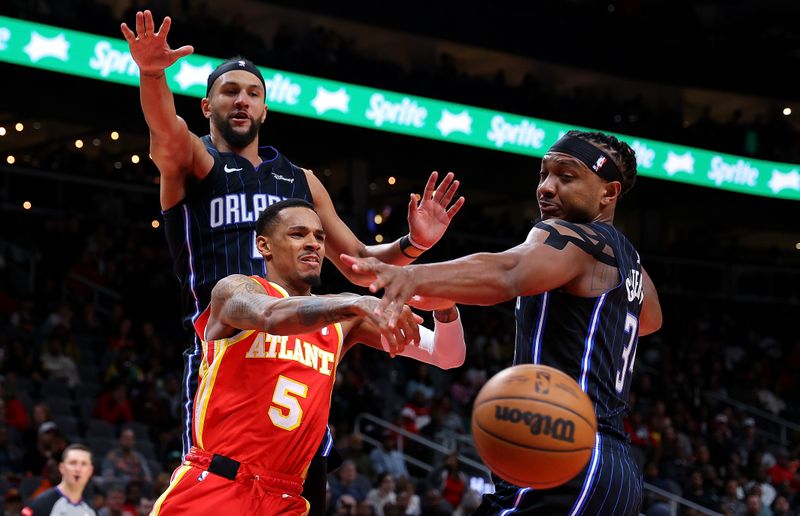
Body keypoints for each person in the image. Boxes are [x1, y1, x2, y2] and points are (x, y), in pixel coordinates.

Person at [120, 11, 464, 514]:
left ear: (265, 109)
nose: (242, 99)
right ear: (206, 104)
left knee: (301, 471)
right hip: (231, 334)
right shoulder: (194, 160)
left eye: (253, 93)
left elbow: (361, 264)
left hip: (307, 330)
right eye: (229, 90)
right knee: (222, 468)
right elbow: (163, 127)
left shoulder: (302, 180)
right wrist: (152, 74)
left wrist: (412, 244)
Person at [344, 129, 663, 515]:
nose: (546, 188)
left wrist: (414, 275)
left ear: (608, 193)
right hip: (611, 469)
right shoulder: (631, 266)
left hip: (564, 448)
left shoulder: (570, 237)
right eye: (544, 174)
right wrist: (443, 295)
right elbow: (650, 321)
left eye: (566, 176)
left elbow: (509, 271)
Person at [151, 199, 466, 514]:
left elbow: (446, 355)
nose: (313, 244)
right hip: (218, 482)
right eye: (298, 234)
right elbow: (271, 315)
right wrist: (354, 304)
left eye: (319, 237)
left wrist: (446, 308)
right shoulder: (235, 291)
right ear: (264, 245)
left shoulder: (345, 316)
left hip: (287, 497)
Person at [22, 444, 96, 516]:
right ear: (62, 468)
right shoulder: (42, 504)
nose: (78, 469)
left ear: (90, 471)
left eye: (84, 464)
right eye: (73, 463)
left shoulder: (90, 510)